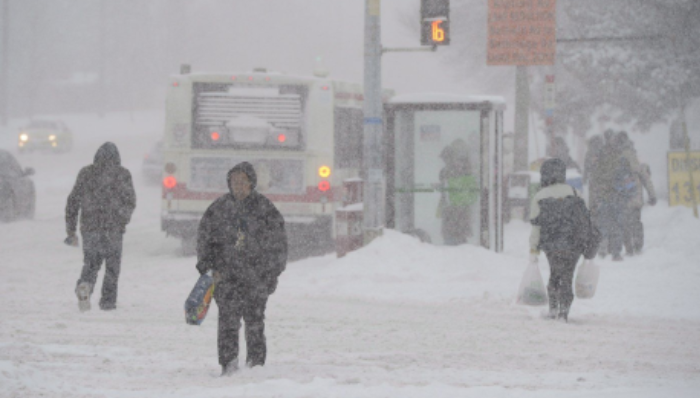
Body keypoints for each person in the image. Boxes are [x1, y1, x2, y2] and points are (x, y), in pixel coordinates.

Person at [196, 162, 287, 376]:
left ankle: (256, 364)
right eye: (234, 181)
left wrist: (270, 273)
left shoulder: (265, 209)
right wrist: (208, 269)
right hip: (225, 278)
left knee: (255, 322)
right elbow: (204, 241)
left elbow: (279, 244)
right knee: (228, 321)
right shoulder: (218, 209)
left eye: (242, 181)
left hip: (257, 278)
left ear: (251, 183)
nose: (238, 186)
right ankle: (228, 364)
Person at [65, 142, 136, 312]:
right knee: (112, 267)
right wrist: (122, 219)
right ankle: (108, 302)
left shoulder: (86, 173)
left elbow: (73, 201)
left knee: (91, 263)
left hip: (90, 227)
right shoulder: (122, 174)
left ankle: (85, 285)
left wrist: (71, 229)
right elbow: (130, 201)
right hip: (113, 228)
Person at [529, 158, 596, 322]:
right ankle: (564, 311)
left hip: (551, 245)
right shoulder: (575, 192)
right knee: (568, 275)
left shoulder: (539, 196)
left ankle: (553, 308)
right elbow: (585, 220)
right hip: (573, 244)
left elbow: (536, 227)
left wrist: (533, 250)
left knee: (555, 273)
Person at [437, 139, 478, 246]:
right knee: (459, 235)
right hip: (458, 208)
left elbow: (446, 189)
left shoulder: (447, 171)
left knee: (452, 235)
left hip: (453, 208)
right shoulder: (464, 169)